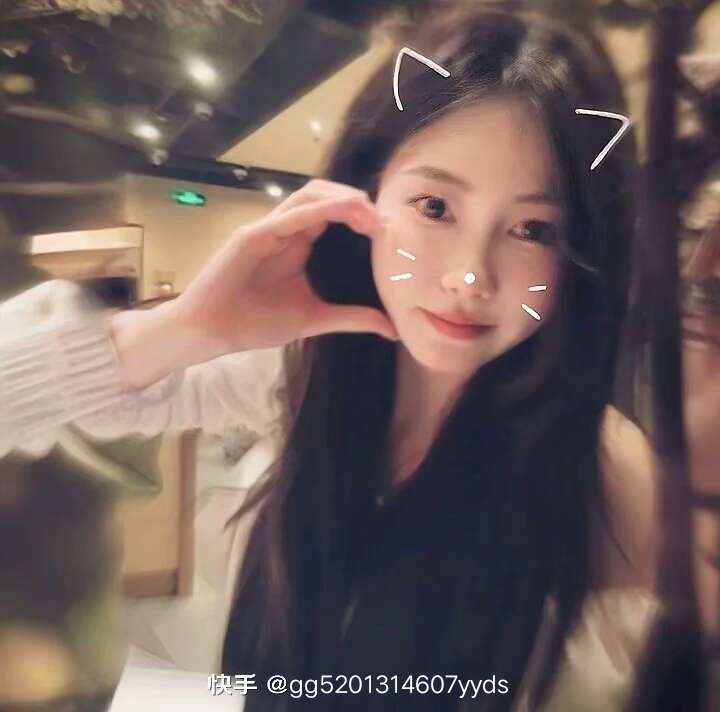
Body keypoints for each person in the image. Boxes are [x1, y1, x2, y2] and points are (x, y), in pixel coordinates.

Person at [0, 6, 665, 712]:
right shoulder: (302, 373)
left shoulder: (609, 479)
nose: (470, 277)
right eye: (435, 206)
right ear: (364, 196)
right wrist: (185, 327)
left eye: (532, 229)